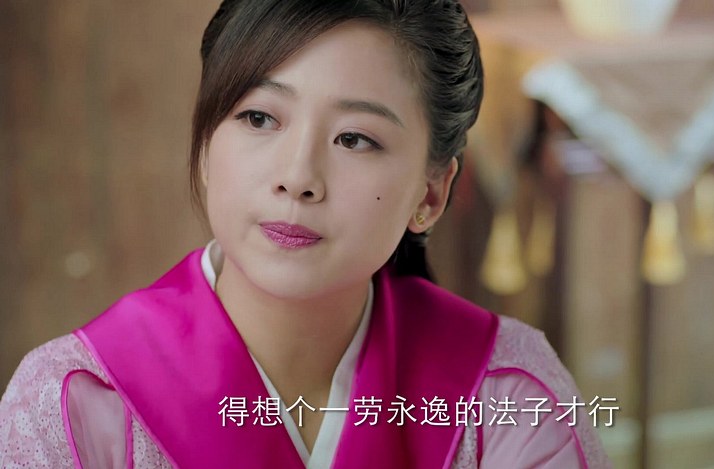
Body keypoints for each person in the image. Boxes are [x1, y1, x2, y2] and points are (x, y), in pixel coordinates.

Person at [0, 0, 611, 467]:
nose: (298, 178)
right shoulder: (73, 402)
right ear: (206, 147)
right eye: (259, 118)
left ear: (430, 194)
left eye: (355, 138)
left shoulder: (507, 391)